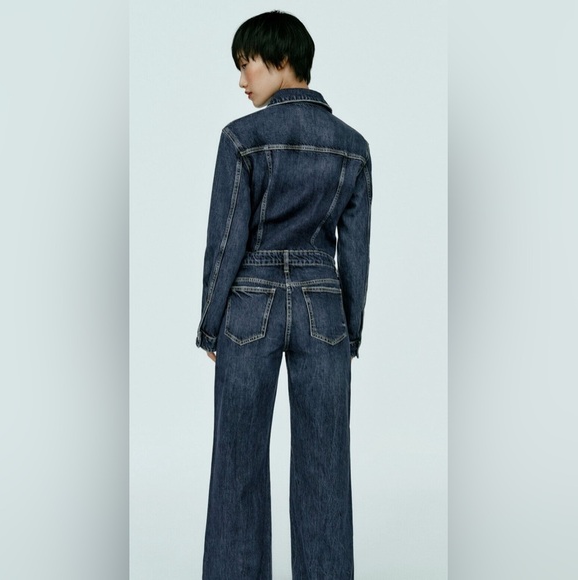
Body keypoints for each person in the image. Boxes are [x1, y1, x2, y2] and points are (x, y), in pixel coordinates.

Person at [196, 10, 372, 579]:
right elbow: (356, 253)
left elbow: (226, 240)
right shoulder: (353, 146)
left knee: (237, 462)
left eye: (246, 64)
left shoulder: (241, 139)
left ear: (281, 59)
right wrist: (350, 330)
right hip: (324, 305)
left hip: (250, 304)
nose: (241, 80)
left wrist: (211, 323)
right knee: (326, 465)